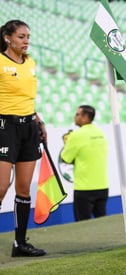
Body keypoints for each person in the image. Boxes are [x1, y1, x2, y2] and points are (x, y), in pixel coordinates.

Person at [0, 19, 47, 257]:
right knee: (0, 188)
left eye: (28, 36)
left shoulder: (31, 63)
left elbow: (27, 99)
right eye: (21, 36)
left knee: (23, 189)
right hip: (4, 127)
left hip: (29, 126)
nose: (26, 40)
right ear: (7, 38)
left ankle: (19, 244)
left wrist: (38, 120)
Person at [60, 105, 109, 221]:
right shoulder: (101, 133)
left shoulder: (76, 135)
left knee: (82, 225)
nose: (75, 117)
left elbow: (65, 159)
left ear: (85, 117)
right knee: (102, 223)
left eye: (77, 114)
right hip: (102, 186)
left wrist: (67, 143)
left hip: (84, 189)